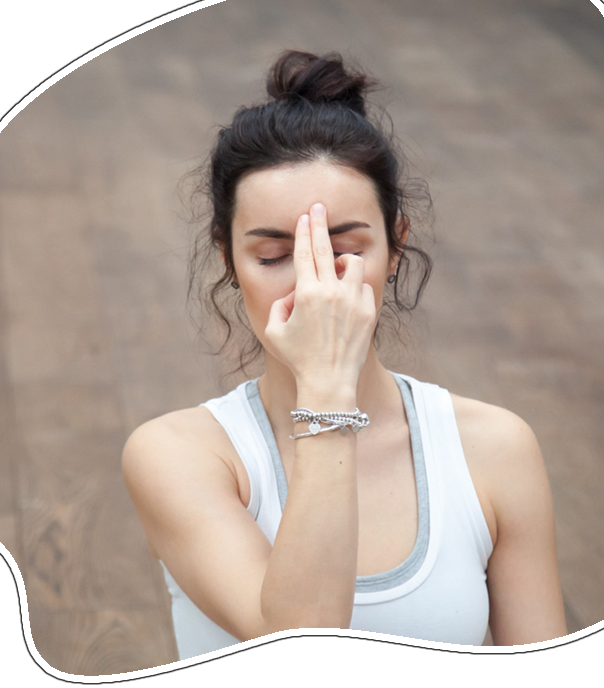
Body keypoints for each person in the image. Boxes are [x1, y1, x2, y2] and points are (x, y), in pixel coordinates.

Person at [122, 51, 567, 659]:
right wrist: (327, 389)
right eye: (274, 256)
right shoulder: (178, 455)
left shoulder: (494, 448)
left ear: (396, 243)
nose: (312, 284)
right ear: (228, 258)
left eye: (344, 249)